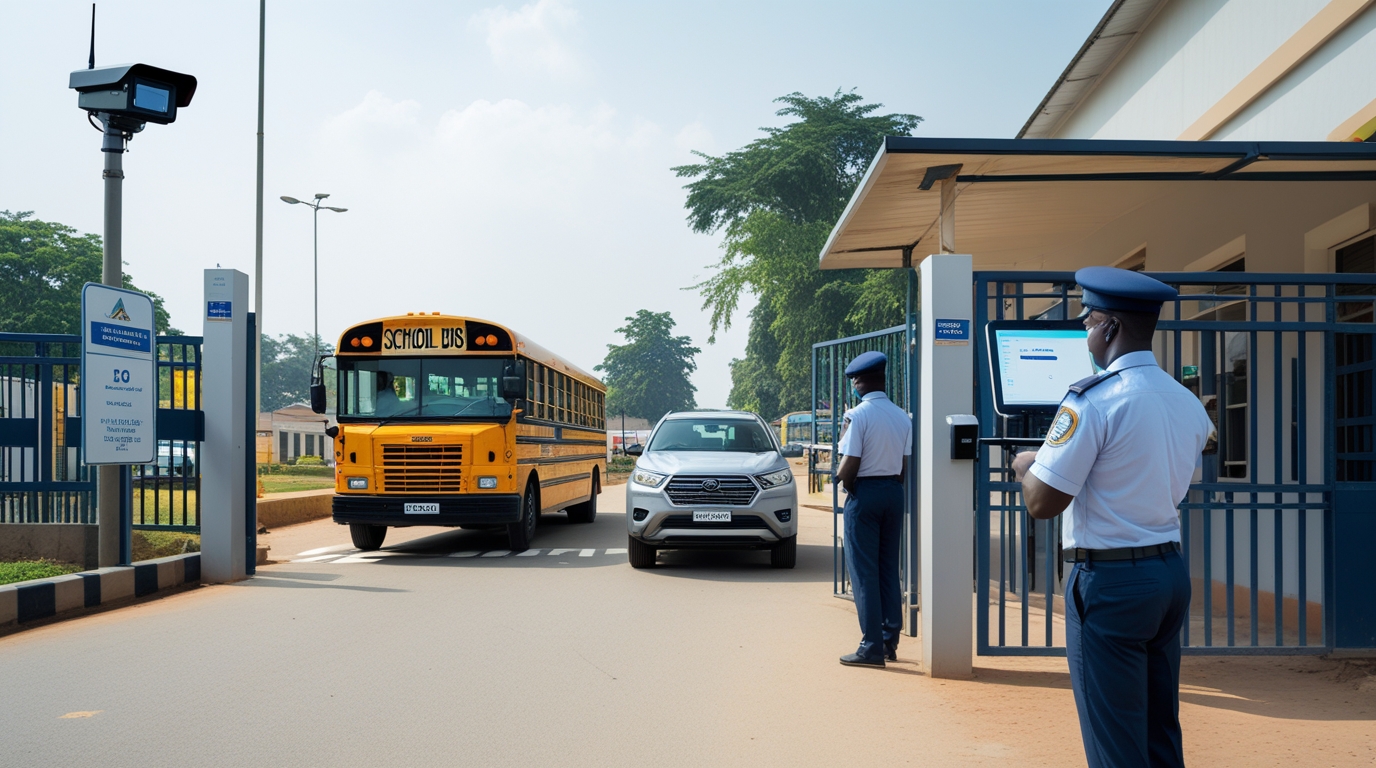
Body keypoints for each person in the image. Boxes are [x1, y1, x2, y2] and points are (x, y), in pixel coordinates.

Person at [1012, 266, 1213, 768]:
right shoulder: (1186, 403)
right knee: (1158, 731)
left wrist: (1027, 465)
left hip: (1110, 582)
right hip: (1167, 573)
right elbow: (1172, 483)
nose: (1085, 335)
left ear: (1109, 327)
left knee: (1114, 744)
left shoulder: (1091, 400)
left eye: (1087, 323)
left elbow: (1043, 502)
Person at [835, 350, 912, 668]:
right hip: (893, 492)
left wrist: (847, 484)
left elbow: (846, 465)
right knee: (887, 570)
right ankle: (888, 640)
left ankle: (870, 647)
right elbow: (904, 465)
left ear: (858, 381)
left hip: (864, 493)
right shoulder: (901, 416)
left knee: (864, 573)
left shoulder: (858, 415)